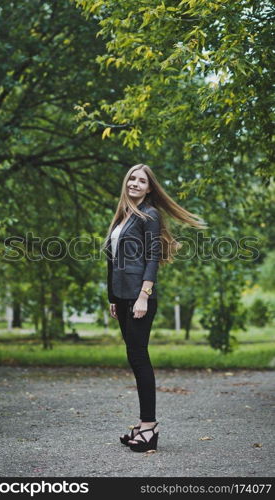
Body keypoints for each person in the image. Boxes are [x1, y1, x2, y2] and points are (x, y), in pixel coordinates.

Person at [102, 163, 207, 452]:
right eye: (132, 179)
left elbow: (152, 257)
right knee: (134, 357)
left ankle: (149, 427)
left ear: (150, 188)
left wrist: (144, 295)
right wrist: (113, 297)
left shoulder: (149, 215)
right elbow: (112, 262)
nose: (135, 183)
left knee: (139, 357)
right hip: (122, 298)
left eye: (142, 181)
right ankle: (143, 424)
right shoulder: (122, 218)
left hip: (139, 297)